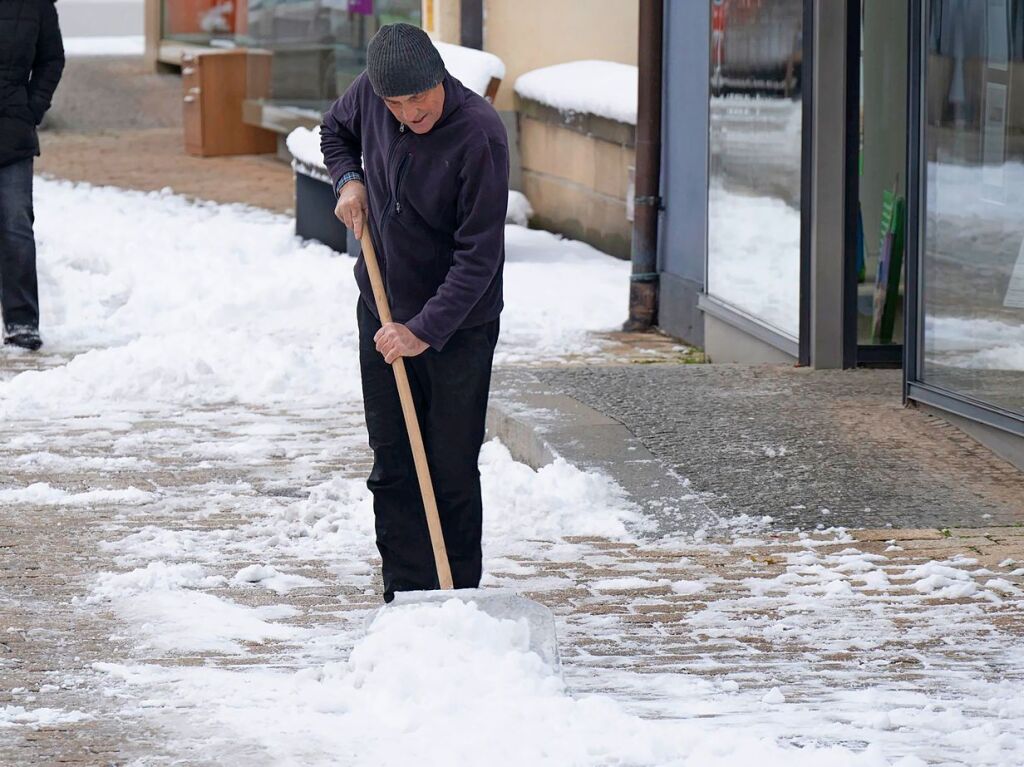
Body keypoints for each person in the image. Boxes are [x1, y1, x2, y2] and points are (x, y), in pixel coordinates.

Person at [320, 23, 509, 603]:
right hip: (381, 309)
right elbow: (335, 131)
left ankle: (457, 597)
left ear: (440, 80)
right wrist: (349, 180)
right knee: (395, 464)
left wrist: (422, 331)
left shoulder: (479, 134)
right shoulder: (371, 95)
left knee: (449, 468)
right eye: (394, 104)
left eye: (418, 98)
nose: (408, 112)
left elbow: (479, 256)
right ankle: (404, 595)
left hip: (458, 327)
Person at [0, 0, 65, 351]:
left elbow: (51, 59)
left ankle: (22, 321)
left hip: (12, 130)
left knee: (15, 225)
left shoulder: (36, 4)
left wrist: (31, 109)